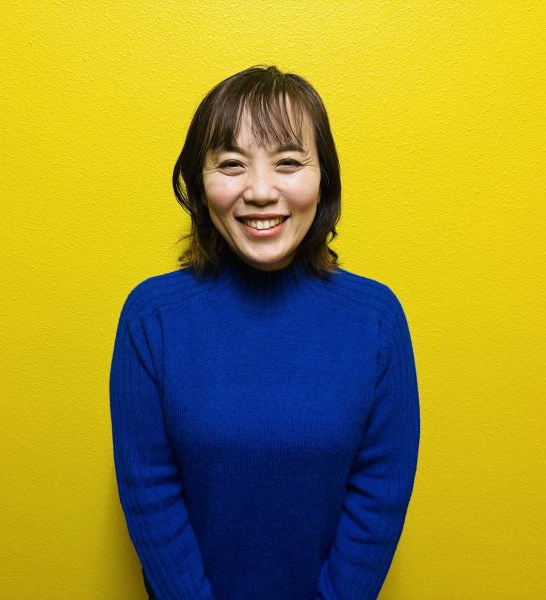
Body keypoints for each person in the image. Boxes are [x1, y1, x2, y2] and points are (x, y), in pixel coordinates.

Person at [109, 64, 421, 600]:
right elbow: (150, 494)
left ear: (323, 179)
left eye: (288, 162)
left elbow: (379, 495)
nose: (259, 191)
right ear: (199, 183)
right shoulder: (151, 318)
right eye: (231, 164)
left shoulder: (376, 319)